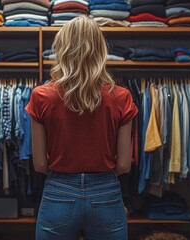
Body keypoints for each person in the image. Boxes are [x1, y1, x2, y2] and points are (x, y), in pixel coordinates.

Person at [25, 15, 138, 240]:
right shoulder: (121, 97)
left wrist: (66, 181)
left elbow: (39, 164)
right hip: (105, 193)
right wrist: (98, 181)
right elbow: (124, 164)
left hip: (59, 191)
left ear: (63, 48)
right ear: (99, 50)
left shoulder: (42, 96)